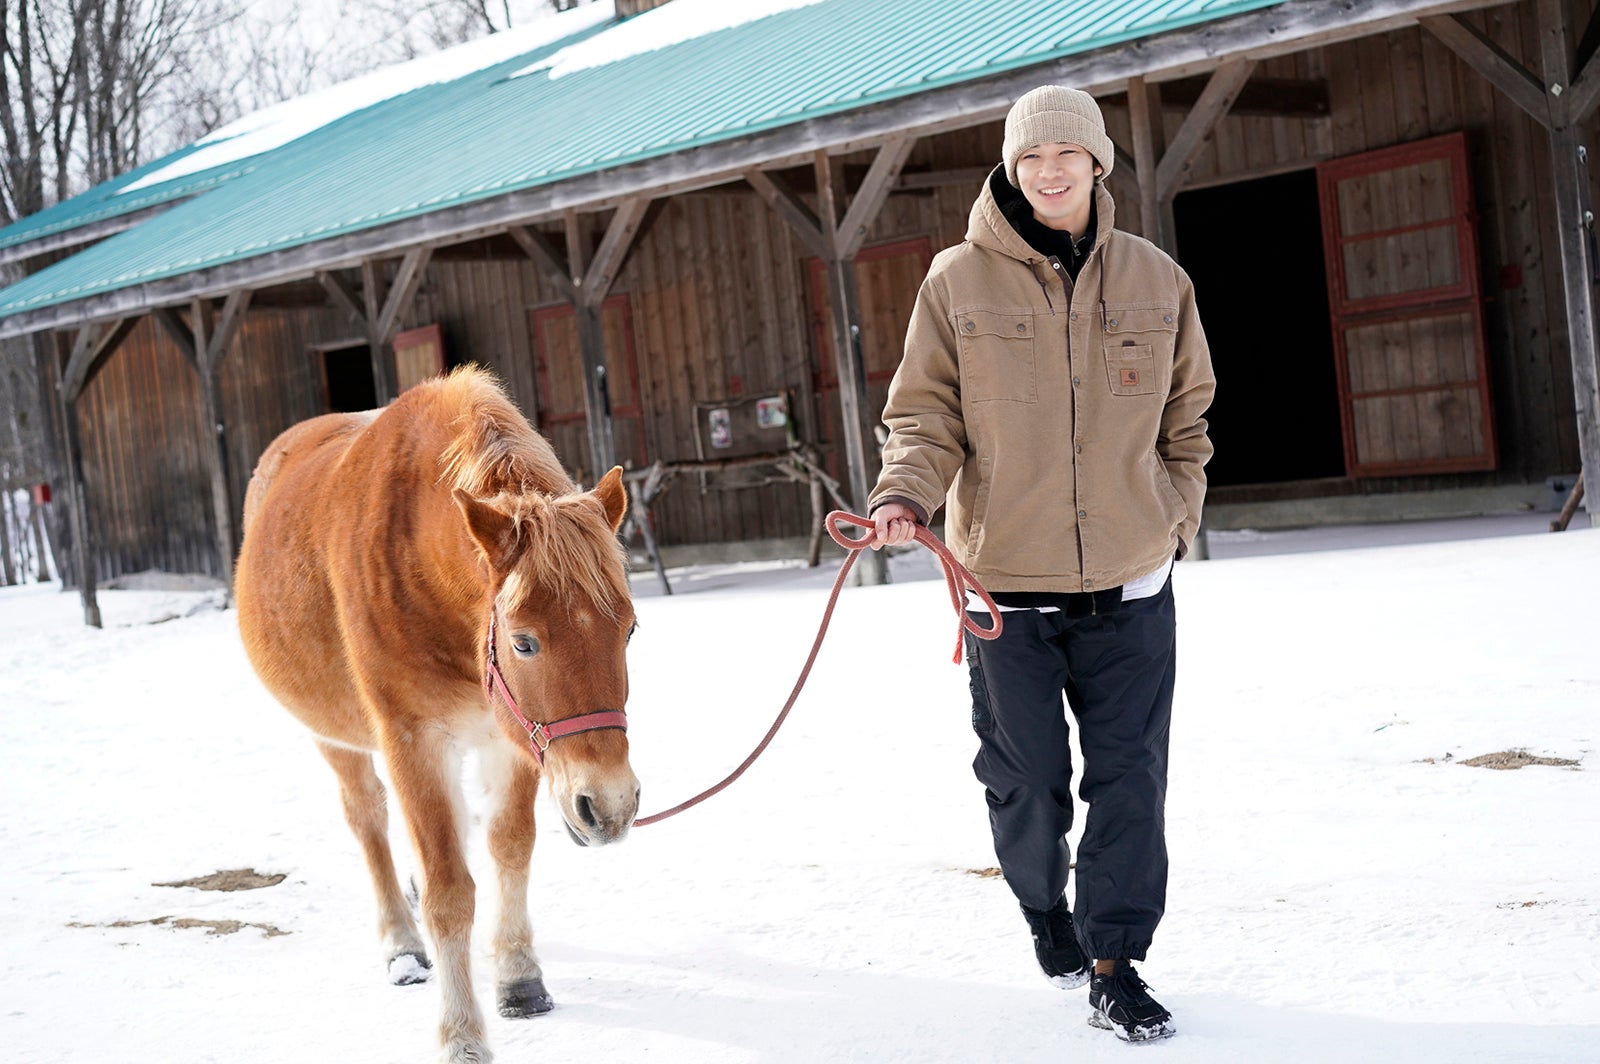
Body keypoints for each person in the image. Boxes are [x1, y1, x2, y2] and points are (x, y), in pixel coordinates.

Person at [868, 85, 1214, 1043]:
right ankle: (1040, 905)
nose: (1051, 172)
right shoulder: (955, 283)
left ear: (1098, 163)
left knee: (1132, 779)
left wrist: (1173, 520)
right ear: (1011, 170)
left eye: (1069, 155)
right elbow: (925, 414)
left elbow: (1189, 423)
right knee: (1026, 783)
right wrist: (905, 493)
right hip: (1004, 593)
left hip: (1133, 585)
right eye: (1032, 159)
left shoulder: (1157, 281)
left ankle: (1116, 960)